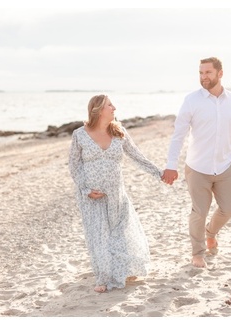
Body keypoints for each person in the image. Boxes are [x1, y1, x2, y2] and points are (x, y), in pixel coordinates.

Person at [68, 94, 164, 293]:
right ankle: (102, 277)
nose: (114, 108)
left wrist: (160, 174)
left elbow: (137, 157)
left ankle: (121, 269)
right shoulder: (80, 134)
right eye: (109, 105)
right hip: (91, 196)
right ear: (98, 110)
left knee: (119, 233)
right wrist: (86, 190)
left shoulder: (120, 132)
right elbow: (74, 166)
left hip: (117, 194)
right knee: (99, 236)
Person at [162, 57, 231, 268]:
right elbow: (179, 134)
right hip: (198, 167)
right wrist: (171, 164)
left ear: (220, 73)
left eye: (208, 72)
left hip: (227, 166)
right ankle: (197, 253)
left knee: (230, 209)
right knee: (199, 212)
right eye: (201, 73)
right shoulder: (192, 100)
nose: (203, 77)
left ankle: (211, 233)